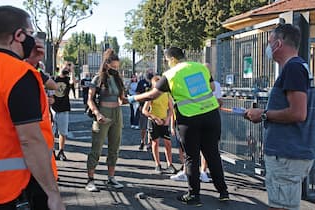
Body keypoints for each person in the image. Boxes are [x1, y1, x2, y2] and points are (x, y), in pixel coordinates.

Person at [0, 5, 65, 210]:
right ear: (18, 35)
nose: (33, 39)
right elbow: (30, 139)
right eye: (30, 33)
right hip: (14, 188)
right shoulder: (18, 74)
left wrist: (30, 63)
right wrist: (53, 194)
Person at [126, 47, 229, 205]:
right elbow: (212, 88)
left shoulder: (170, 75)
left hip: (189, 119)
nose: (167, 63)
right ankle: (223, 192)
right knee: (212, 154)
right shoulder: (200, 67)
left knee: (191, 157)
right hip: (211, 116)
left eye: (167, 60)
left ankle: (194, 195)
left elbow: (153, 94)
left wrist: (132, 98)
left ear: (172, 59)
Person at [245, 24, 315, 210]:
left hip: (286, 154)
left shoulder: (293, 69)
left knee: (281, 207)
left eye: (269, 43)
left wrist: (263, 115)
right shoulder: (297, 68)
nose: (267, 48)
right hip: (288, 153)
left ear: (279, 43)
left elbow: (298, 113)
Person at [85, 48, 125, 192]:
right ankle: (90, 180)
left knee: (114, 148)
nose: (115, 69)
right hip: (103, 113)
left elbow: (122, 99)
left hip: (117, 114)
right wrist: (97, 114)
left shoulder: (117, 79)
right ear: (107, 64)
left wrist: (139, 98)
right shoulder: (98, 78)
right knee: (97, 148)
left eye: (117, 67)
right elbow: (89, 99)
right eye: (113, 66)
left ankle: (111, 178)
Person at [142, 75, 177, 174]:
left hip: (164, 121)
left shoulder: (166, 94)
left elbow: (171, 108)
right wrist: (155, 118)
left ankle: (169, 164)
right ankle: (157, 164)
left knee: (168, 143)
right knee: (155, 143)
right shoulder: (151, 95)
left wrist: (167, 119)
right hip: (154, 121)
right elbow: (144, 111)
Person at [52, 65, 71, 161]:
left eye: (68, 68)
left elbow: (74, 83)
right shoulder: (53, 79)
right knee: (51, 132)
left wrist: (72, 72)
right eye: (65, 67)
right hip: (53, 108)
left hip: (64, 108)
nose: (66, 69)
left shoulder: (68, 80)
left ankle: (61, 151)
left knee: (63, 132)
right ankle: (52, 151)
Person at [136, 71, 153, 150]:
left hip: (153, 107)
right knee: (143, 126)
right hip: (143, 107)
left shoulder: (155, 83)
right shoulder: (141, 82)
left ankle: (149, 143)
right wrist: (140, 104)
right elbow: (138, 93)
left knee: (151, 127)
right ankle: (142, 141)